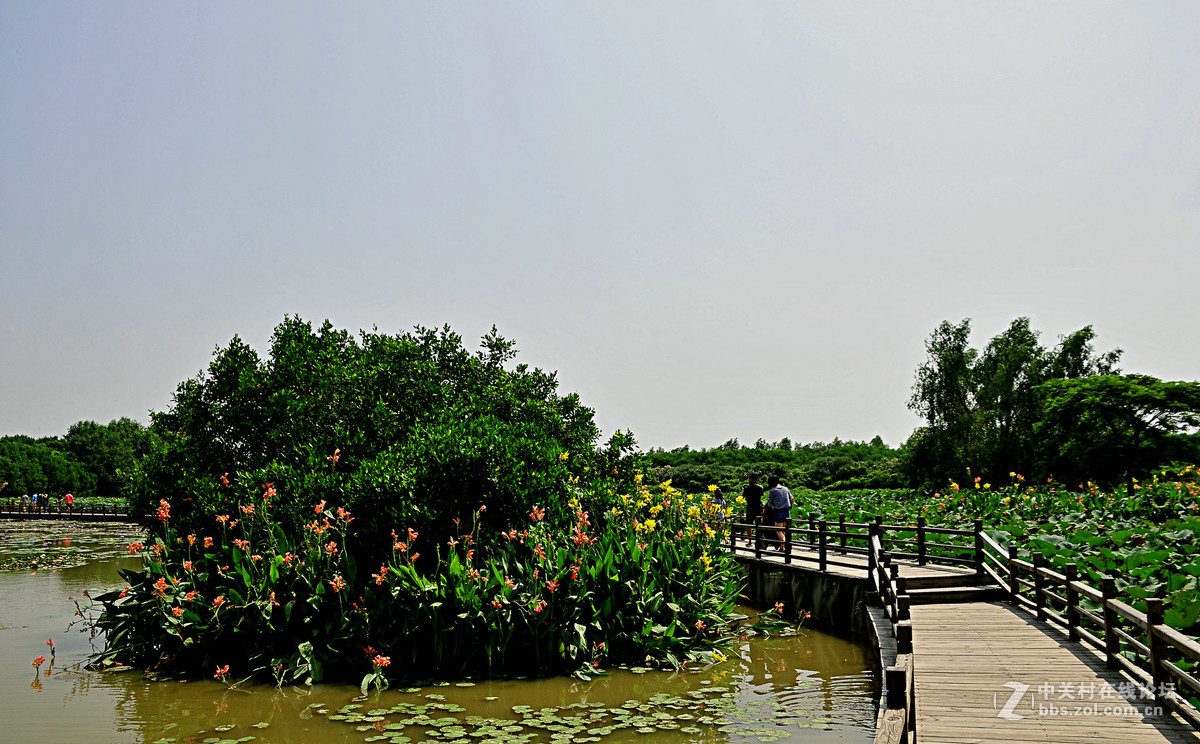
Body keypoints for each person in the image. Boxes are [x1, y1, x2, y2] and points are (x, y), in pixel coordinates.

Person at [765, 475, 793, 549]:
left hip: (778, 511)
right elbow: (792, 499)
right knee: (784, 529)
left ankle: (785, 542)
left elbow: (769, 503)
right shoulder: (786, 489)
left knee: (778, 530)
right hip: (787, 510)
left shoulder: (773, 491)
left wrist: (771, 507)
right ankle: (781, 548)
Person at [741, 474, 764, 542]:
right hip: (758, 507)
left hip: (750, 507)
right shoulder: (760, 487)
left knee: (749, 524)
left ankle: (750, 540)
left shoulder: (747, 488)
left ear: (751, 479)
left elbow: (744, 497)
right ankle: (758, 540)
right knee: (758, 524)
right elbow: (761, 495)